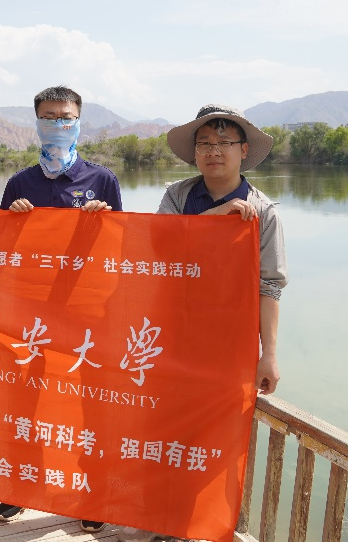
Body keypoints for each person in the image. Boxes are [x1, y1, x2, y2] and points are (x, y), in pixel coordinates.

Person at [118, 104, 288, 542]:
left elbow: (269, 287)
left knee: (213, 439)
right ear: (195, 152)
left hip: (227, 345)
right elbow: (157, 249)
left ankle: (196, 526)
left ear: (243, 150)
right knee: (161, 428)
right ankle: (156, 520)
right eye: (205, 143)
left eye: (224, 143)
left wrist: (268, 354)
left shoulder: (263, 212)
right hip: (170, 336)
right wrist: (215, 219)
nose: (214, 151)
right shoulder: (178, 197)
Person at [0, 85, 121, 534]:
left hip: (85, 316)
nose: (58, 124)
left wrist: (104, 220)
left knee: (89, 407)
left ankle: (92, 494)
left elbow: (119, 251)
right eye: (49, 117)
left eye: (66, 117)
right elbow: (0, 249)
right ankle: (20, 487)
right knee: (23, 401)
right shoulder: (19, 183)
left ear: (79, 121)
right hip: (29, 315)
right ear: (36, 122)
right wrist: (13, 220)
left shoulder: (102, 181)